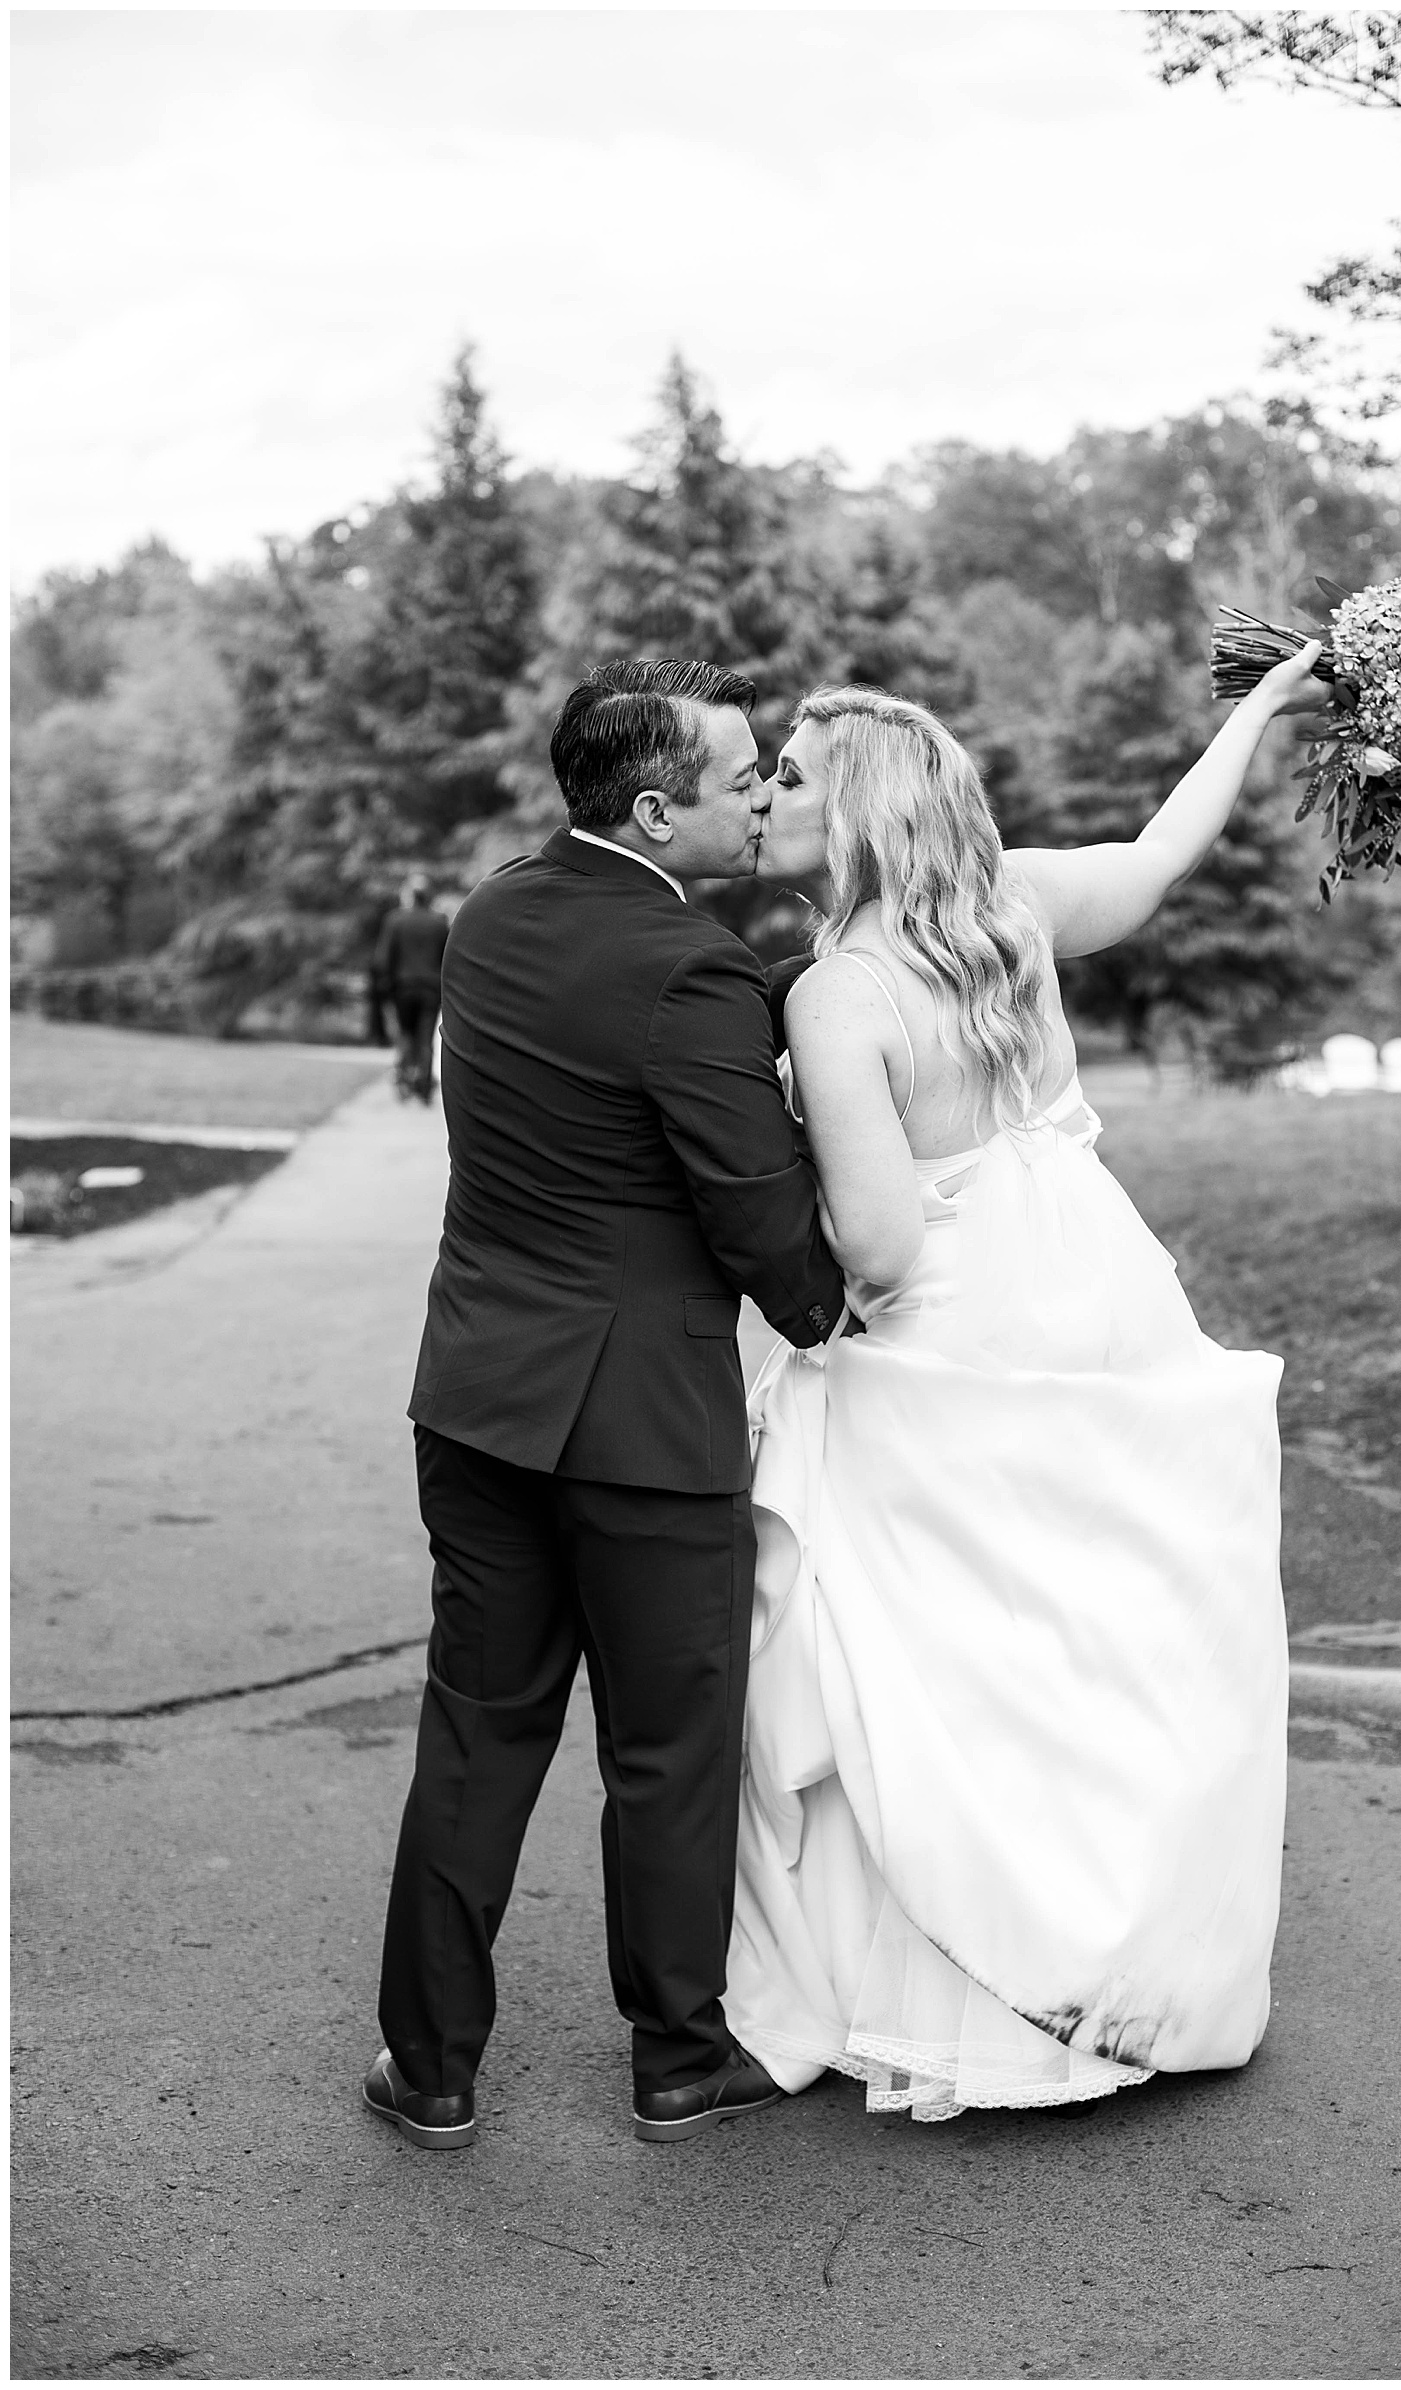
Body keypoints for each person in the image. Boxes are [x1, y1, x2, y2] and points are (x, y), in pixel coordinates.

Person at [722, 644, 1327, 2123]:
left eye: (788, 776)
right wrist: (1262, 710)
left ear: (852, 811)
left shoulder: (838, 990)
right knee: (1097, 1632)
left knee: (933, 1640)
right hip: (1097, 1283)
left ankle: (963, 1979)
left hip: (954, 1314)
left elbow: (869, 1238)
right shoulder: (1016, 909)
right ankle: (1126, 1969)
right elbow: (1163, 852)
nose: (764, 797)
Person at [366, 659, 847, 2152]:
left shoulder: (491, 913)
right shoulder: (693, 969)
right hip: (640, 1425)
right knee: (668, 1745)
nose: (764, 794)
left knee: (477, 1733)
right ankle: (677, 2059)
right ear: (656, 808)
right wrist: (838, 1319)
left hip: (479, 1399)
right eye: (742, 776)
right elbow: (755, 1207)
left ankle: (430, 2064)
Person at [374, 874, 450, 1103]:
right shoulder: (439, 922)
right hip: (430, 988)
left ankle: (405, 1076)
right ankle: (424, 1083)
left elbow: (382, 958)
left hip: (403, 987)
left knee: (406, 1032)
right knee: (426, 1036)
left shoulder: (395, 920)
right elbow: (446, 957)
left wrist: (384, 985)